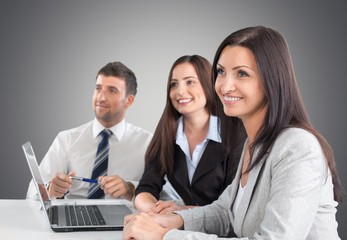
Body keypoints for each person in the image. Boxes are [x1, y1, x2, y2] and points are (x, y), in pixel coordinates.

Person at [123, 26, 342, 239]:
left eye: (242, 74)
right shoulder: (254, 144)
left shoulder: (297, 147)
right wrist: (173, 219)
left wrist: (164, 236)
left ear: (272, 80)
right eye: (221, 72)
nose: (225, 87)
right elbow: (225, 212)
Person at [134, 55, 245, 213]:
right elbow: (146, 187)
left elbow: (233, 206)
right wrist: (154, 211)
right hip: (184, 226)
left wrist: (181, 211)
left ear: (209, 85)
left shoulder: (236, 133)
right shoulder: (167, 132)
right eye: (174, 84)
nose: (180, 91)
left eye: (190, 82)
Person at [27, 61, 152, 201]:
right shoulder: (67, 139)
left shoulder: (148, 143)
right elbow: (33, 191)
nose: (101, 97)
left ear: (128, 101)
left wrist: (131, 189)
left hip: (127, 220)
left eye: (112, 91)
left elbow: (169, 195)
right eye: (98, 89)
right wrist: (50, 189)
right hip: (74, 218)